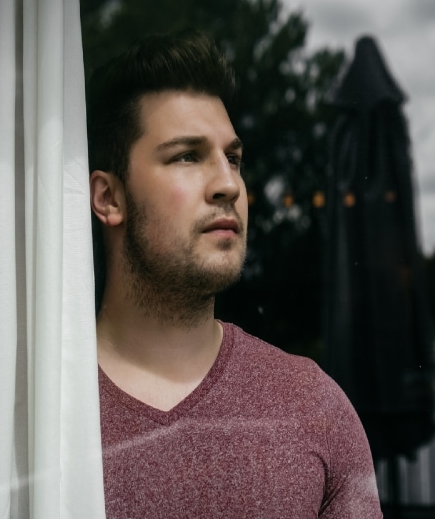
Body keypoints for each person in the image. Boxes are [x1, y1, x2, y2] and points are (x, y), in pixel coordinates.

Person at [87, 30, 382, 519]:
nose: (228, 184)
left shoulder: (313, 409)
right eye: (187, 155)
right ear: (109, 198)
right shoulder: (36, 410)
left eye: (233, 159)